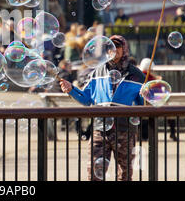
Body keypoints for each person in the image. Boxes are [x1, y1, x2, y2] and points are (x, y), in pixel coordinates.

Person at [60, 35, 145, 181]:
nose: (114, 49)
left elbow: (142, 104)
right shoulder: (97, 72)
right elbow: (86, 99)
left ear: (124, 49)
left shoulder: (136, 74)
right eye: (110, 46)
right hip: (100, 128)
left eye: (117, 46)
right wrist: (71, 90)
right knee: (94, 172)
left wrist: (147, 95)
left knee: (124, 174)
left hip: (125, 130)